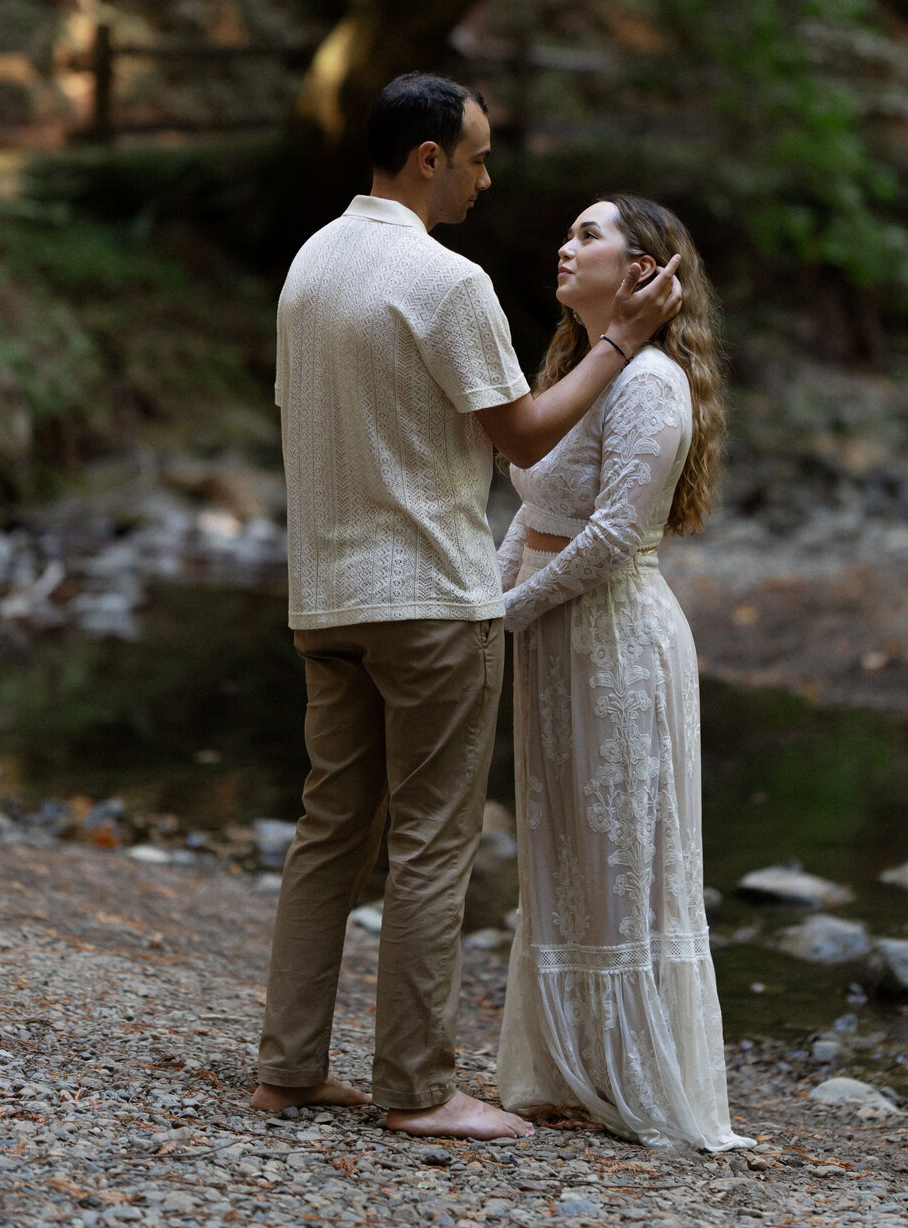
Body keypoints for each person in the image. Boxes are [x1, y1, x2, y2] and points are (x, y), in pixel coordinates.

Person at [250, 76, 682, 1141]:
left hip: (324, 594)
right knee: (434, 842)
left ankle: (289, 1068)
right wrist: (621, 343)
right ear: (429, 158)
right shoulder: (447, 280)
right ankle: (416, 1087)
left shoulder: (310, 265)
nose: (490, 178)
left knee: (328, 832)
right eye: (479, 157)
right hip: (430, 599)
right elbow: (525, 434)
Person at [496, 194, 753, 1151]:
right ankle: (569, 1071)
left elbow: (608, 538)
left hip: (614, 644)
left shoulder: (649, 383)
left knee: (619, 856)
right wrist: (486, 598)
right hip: (553, 637)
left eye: (588, 235)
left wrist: (502, 616)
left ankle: (638, 1080)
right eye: (566, 231)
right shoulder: (573, 367)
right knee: (562, 849)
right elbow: (535, 505)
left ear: (646, 271)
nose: (565, 247)